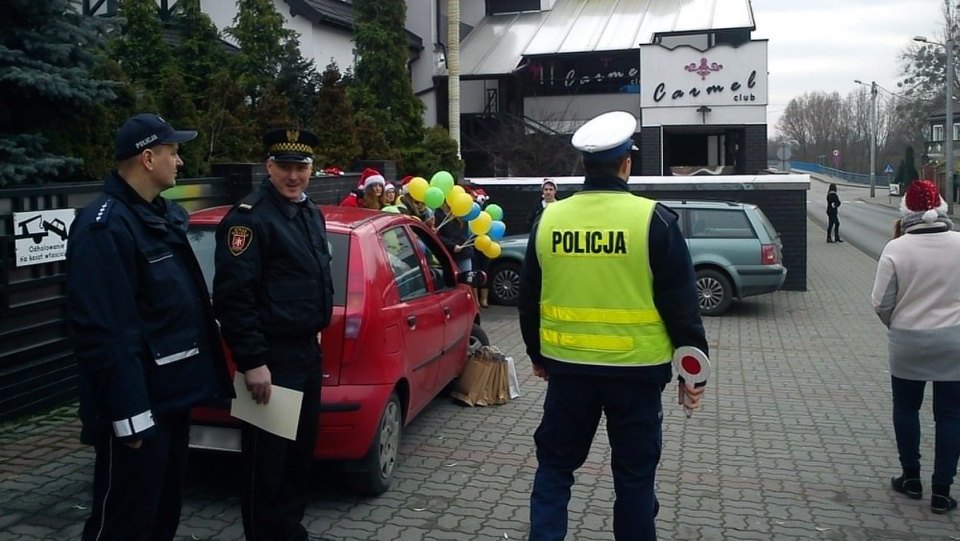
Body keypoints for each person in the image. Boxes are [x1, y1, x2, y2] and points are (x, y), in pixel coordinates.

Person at [517, 110, 708, 541]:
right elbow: (681, 305)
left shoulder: (549, 220)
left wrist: (537, 356)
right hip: (638, 376)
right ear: (627, 164)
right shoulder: (654, 220)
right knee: (635, 478)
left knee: (554, 469)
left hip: (567, 372)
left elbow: (528, 299)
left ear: (583, 166)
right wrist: (693, 371)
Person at [67, 113, 233, 541]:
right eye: (173, 152)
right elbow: (104, 334)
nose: (179, 162)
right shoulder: (104, 227)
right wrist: (130, 418)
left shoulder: (161, 216)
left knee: (162, 517)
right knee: (124, 523)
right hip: (138, 412)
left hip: (172, 400)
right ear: (147, 157)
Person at [212, 128, 336, 541]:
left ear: (311, 169)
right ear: (268, 167)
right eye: (284, 167)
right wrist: (252, 361)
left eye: (301, 167)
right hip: (271, 361)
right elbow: (234, 297)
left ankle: (289, 532)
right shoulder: (249, 219)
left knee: (299, 457)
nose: (293, 176)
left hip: (304, 354)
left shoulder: (309, 212)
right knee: (266, 465)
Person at [871, 179, 960, 515]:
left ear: (906, 210)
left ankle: (910, 479)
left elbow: (881, 303)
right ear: (940, 208)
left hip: (908, 342)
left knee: (906, 409)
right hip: (954, 341)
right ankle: (941, 490)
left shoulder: (896, 248)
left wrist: (899, 323)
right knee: (951, 415)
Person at [435, 202, 474, 272]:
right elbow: (437, 236)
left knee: (465, 278)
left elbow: (463, 234)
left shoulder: (461, 214)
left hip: (462, 253)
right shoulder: (439, 214)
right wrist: (452, 246)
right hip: (446, 254)